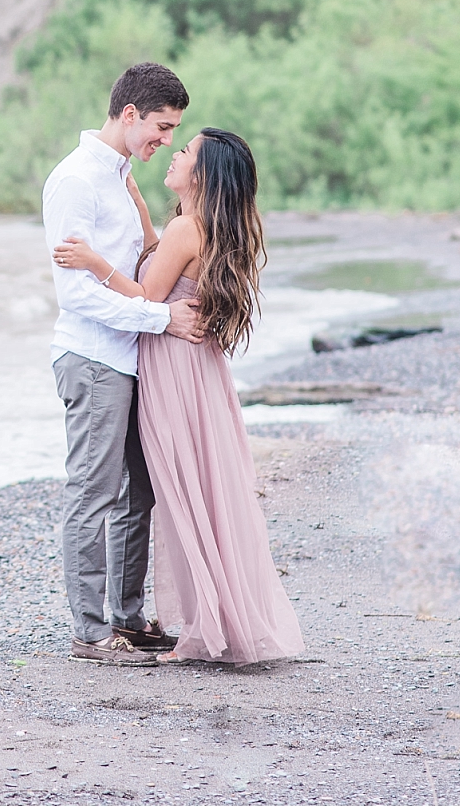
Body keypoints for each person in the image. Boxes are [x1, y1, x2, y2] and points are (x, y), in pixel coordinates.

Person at [54, 127, 305, 665]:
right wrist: (143, 214)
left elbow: (148, 293)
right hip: (194, 371)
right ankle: (182, 614)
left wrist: (95, 263)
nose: (173, 152)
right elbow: (157, 260)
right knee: (187, 487)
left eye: (184, 150)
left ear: (203, 175)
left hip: (171, 369)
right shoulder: (199, 227)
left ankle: (139, 622)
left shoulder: (187, 229)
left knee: (179, 488)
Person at [42, 63, 202, 667]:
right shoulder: (76, 180)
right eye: (162, 127)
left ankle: (128, 620)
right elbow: (73, 293)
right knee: (95, 493)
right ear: (130, 114)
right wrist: (163, 320)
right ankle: (90, 633)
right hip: (91, 357)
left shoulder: (118, 176)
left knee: (142, 494)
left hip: (131, 358)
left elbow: (141, 263)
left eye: (174, 131)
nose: (165, 140)